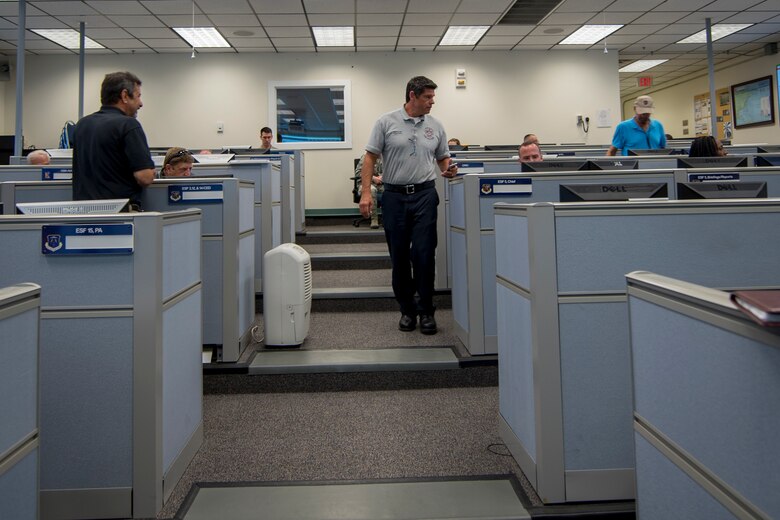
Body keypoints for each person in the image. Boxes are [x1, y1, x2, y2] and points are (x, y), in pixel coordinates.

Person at [359, 76, 457, 335]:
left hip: (425, 194)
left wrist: (448, 170)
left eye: (433, 97)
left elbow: (443, 158)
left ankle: (426, 310)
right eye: (427, 97)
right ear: (412, 96)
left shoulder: (436, 126)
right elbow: (369, 157)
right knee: (400, 256)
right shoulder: (386, 122)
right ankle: (406, 310)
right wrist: (366, 193)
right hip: (394, 197)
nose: (432, 102)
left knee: (424, 255)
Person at [72, 71, 155, 209]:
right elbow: (145, 177)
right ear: (124, 96)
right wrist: (152, 171)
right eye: (138, 96)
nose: (140, 103)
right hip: (118, 213)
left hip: (83, 212)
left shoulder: (82, 124)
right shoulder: (128, 125)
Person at [354, 153, 383, 229]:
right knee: (371, 190)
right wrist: (373, 178)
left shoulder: (387, 157)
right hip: (365, 185)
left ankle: (389, 219)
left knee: (391, 192)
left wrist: (383, 177)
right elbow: (358, 173)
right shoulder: (366, 157)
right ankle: (374, 219)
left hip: (381, 184)